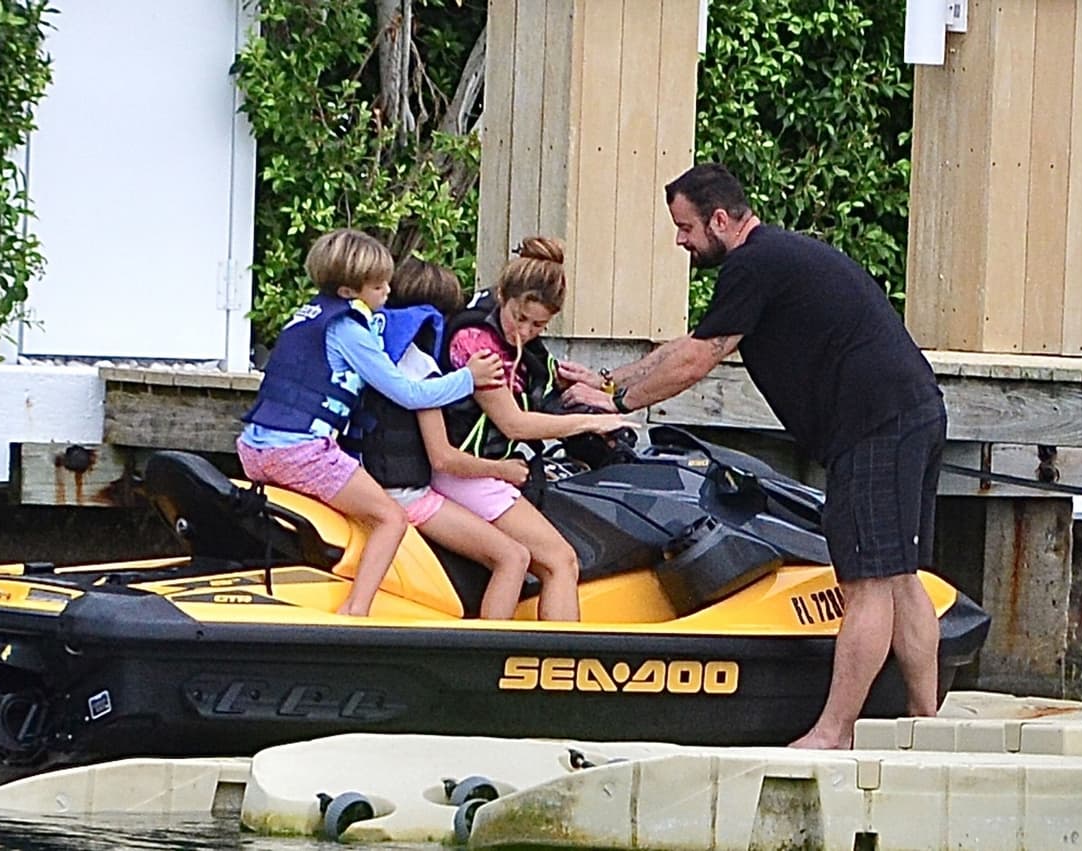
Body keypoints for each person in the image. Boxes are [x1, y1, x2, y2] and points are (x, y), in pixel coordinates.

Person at [561, 163, 946, 748]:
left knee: (866, 581)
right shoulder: (773, 259)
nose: (681, 241)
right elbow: (692, 342)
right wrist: (609, 382)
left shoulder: (752, 263)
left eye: (686, 227)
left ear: (720, 219)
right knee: (898, 577)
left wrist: (617, 408)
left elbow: (698, 361)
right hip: (909, 411)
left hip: (876, 426)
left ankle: (834, 732)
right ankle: (923, 725)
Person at [237, 228, 504, 617]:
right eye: (378, 286)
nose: (387, 293)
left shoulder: (306, 316)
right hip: (301, 453)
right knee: (390, 518)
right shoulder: (348, 330)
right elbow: (408, 393)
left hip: (253, 448)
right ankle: (356, 611)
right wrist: (469, 377)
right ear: (349, 292)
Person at [437, 237, 628, 622]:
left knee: (531, 559)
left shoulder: (525, 346)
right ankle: (560, 669)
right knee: (560, 562)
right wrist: (590, 421)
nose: (523, 332)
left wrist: (597, 389)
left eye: (538, 324)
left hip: (488, 471)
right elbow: (514, 423)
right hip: (464, 471)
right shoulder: (475, 342)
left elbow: (541, 378)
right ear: (502, 297)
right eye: (518, 318)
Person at [341, 257, 532, 619]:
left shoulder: (364, 347)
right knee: (513, 557)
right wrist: (503, 470)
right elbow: (442, 458)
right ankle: (486, 661)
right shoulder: (420, 367)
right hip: (404, 495)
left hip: (358, 481)